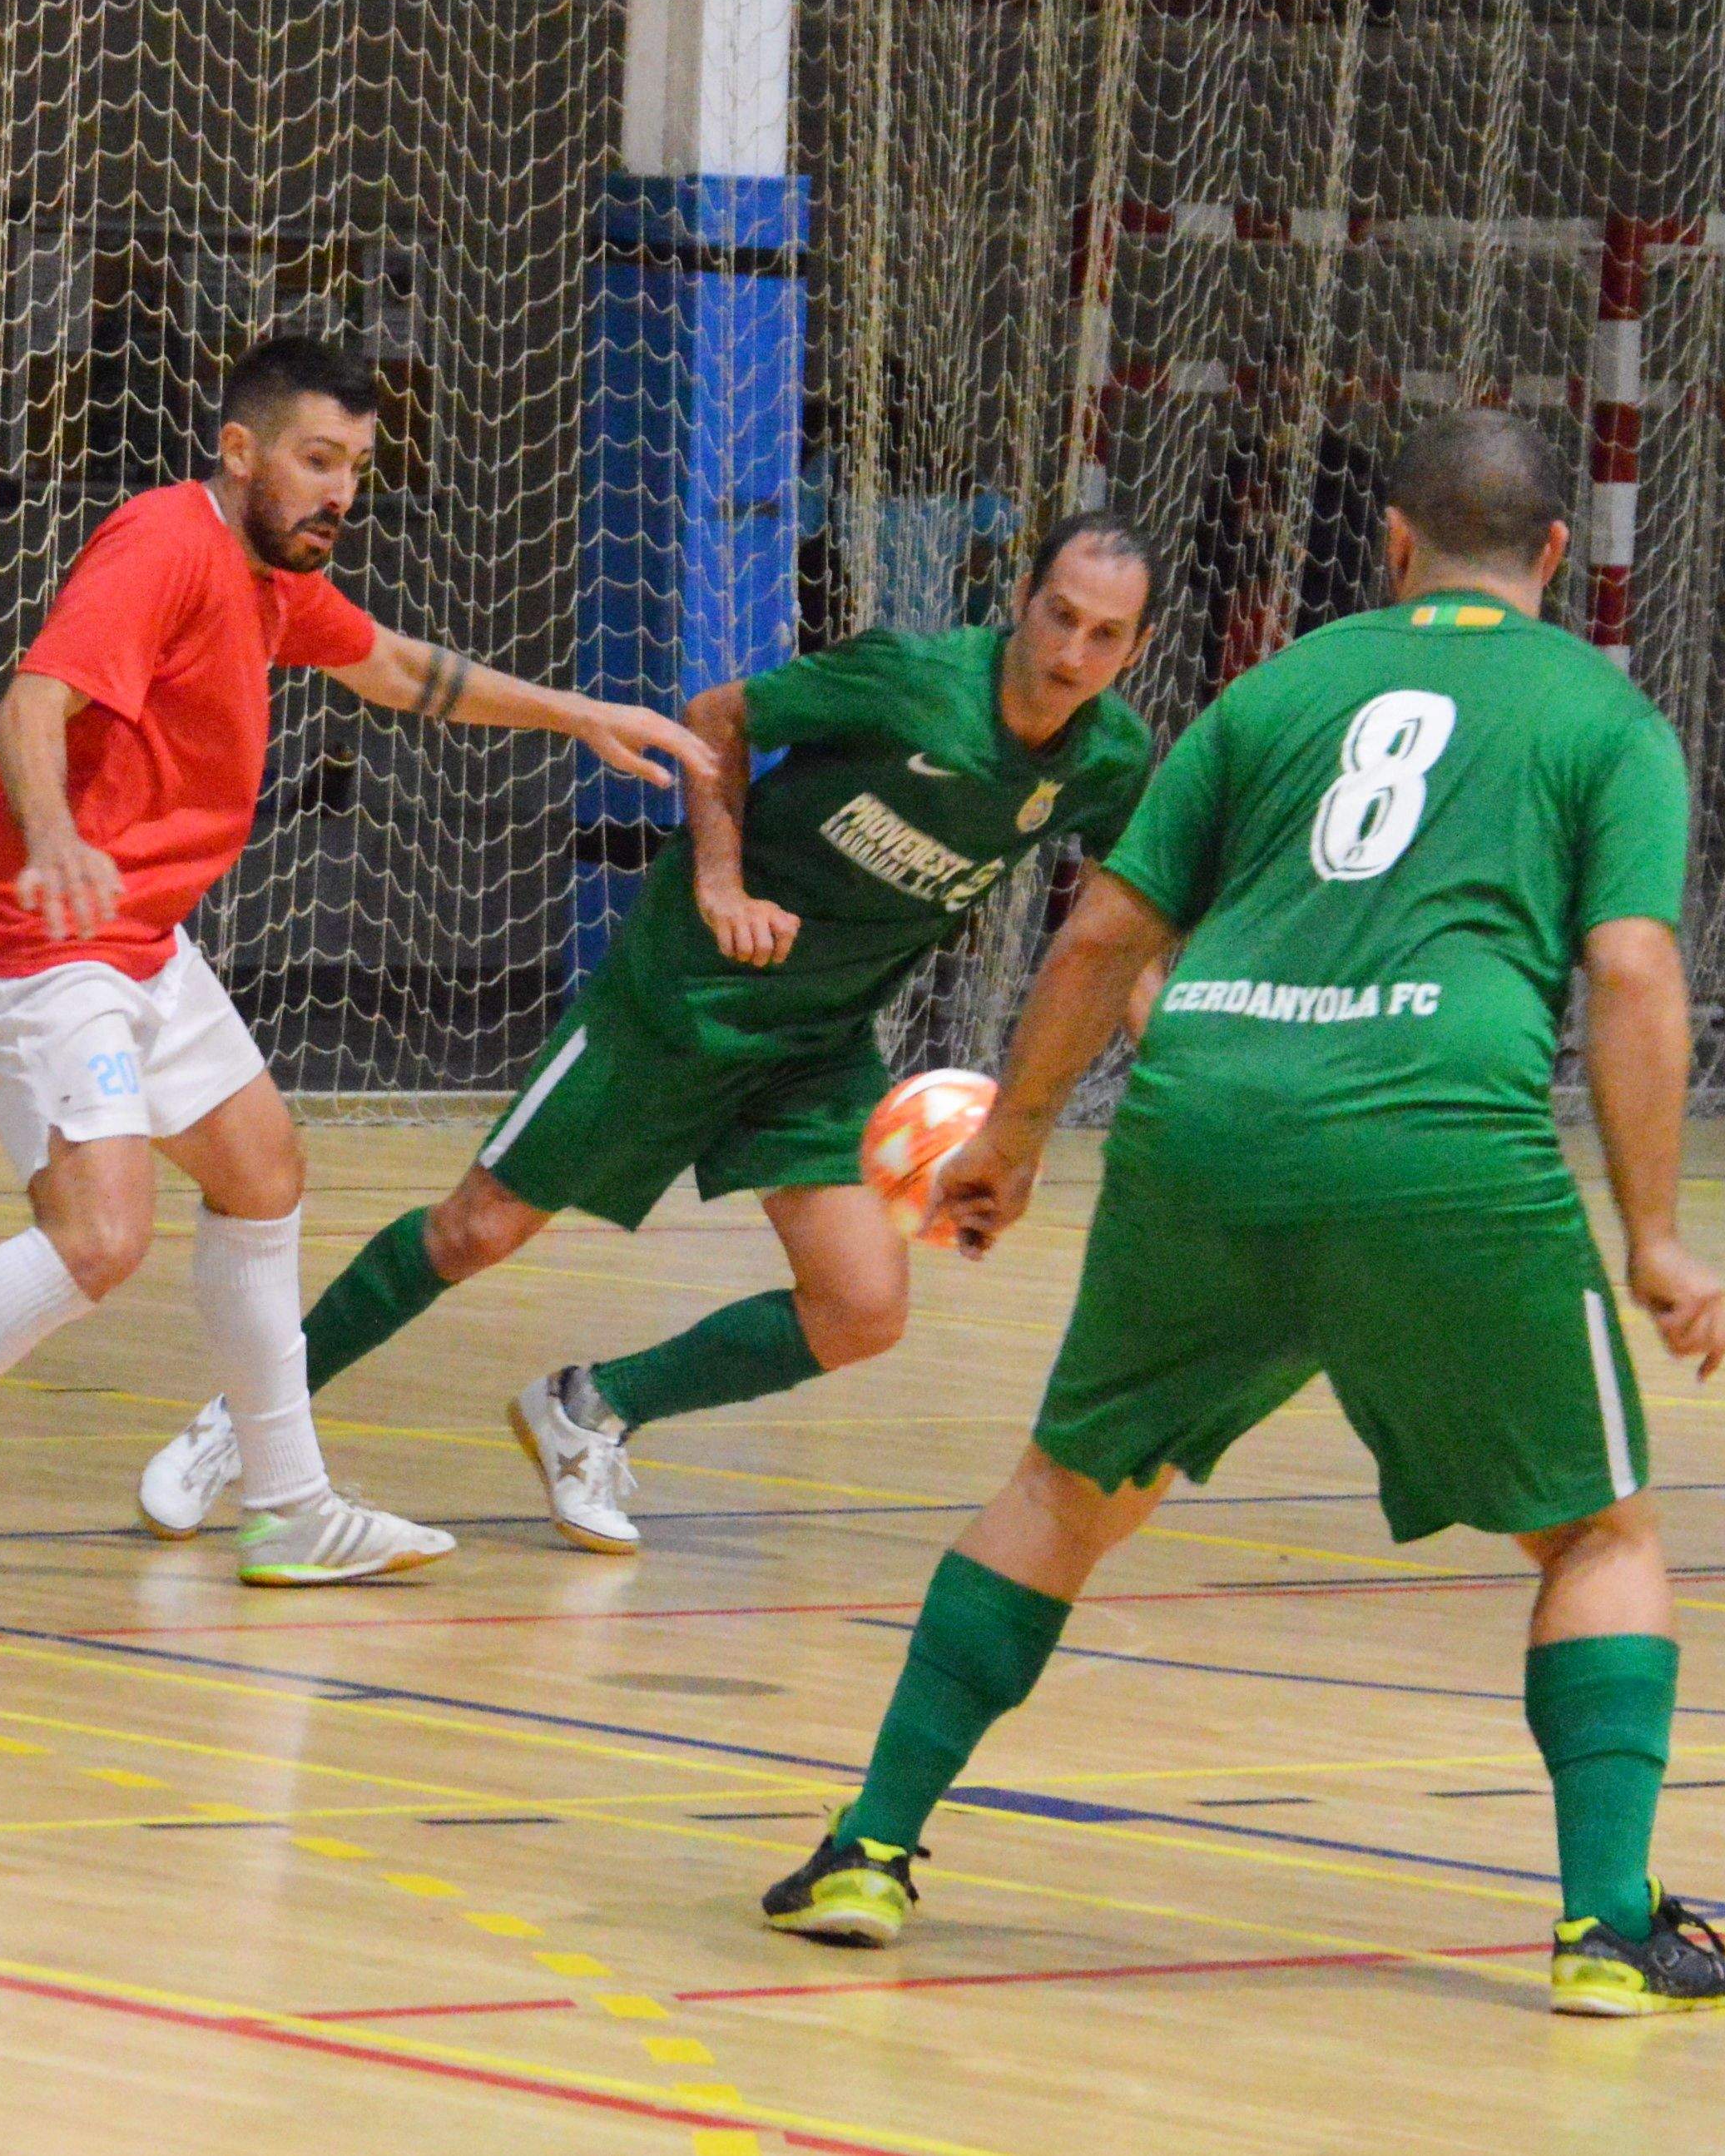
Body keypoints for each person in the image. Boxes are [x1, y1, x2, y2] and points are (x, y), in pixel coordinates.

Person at [758, 410, 1725, 2020]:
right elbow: (1630, 972)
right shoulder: (1600, 713)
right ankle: (1603, 1924)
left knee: (1064, 1489)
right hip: (1441, 1144)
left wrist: (1009, 1139)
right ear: (1552, 556)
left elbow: (1095, 937)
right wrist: (1654, 1233)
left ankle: (867, 1845)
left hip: (1200, 1127)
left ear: (1395, 546)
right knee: (1598, 1528)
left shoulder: (1271, 690)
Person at [0, 333, 711, 1625]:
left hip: (133, 937)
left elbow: (398, 670)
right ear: (239, 453)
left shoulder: (276, 575)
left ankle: (288, 1505)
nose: (340, 488)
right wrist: (58, 836)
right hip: (35, 934)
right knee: (98, 1239)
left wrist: (576, 714)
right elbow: (29, 705)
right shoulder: (164, 542)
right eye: (315, 458)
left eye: (355, 464)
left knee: (261, 1171)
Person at [133, 515, 1159, 1554]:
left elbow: (1123, 931)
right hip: (679, 995)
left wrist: (1167, 1037)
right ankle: (249, 1420)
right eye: (1060, 617)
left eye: (1104, 636)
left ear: (1137, 649)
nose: (1072, 653)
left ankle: (590, 1410)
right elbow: (718, 715)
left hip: (819, 1040)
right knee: (474, 1231)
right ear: (1022, 598)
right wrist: (721, 879)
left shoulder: (1110, 758)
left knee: (863, 1306)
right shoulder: (913, 680)